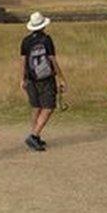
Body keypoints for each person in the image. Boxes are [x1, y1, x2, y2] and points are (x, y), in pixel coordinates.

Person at [20, 12, 68, 152]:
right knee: (48, 107)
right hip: (46, 78)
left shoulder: (26, 41)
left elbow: (23, 61)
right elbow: (52, 60)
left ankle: (35, 134)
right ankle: (34, 136)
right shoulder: (47, 40)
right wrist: (61, 78)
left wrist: (22, 78)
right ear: (43, 25)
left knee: (36, 107)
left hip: (30, 78)